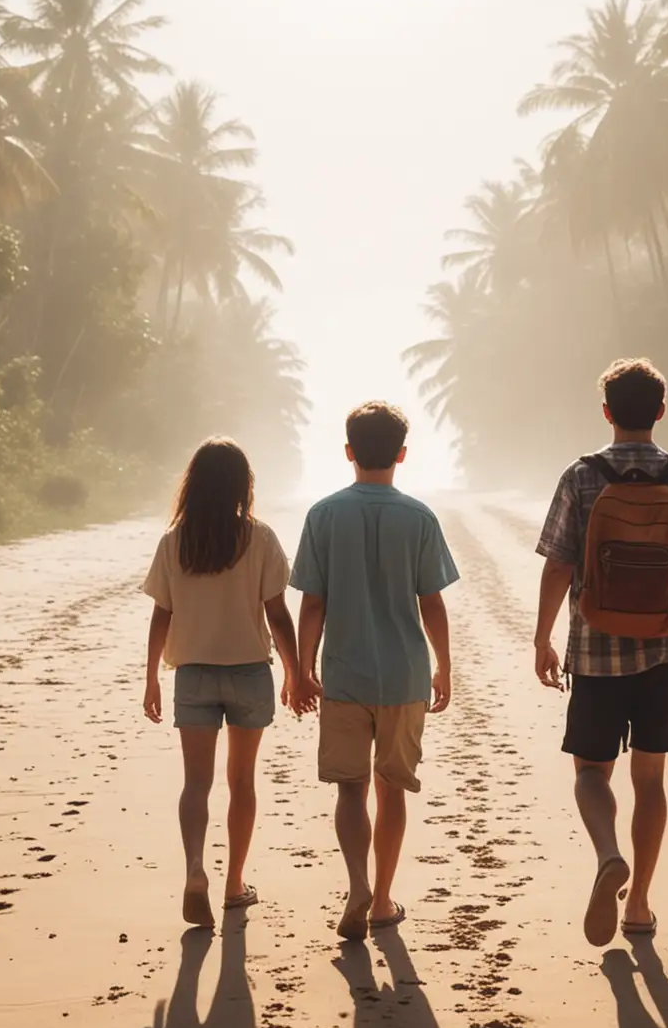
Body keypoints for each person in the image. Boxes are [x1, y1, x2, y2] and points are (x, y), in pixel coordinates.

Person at [533, 358, 668, 946]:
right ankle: (639, 903)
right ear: (661, 411)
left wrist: (542, 637)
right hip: (665, 647)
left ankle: (607, 854)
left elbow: (560, 563)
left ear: (607, 412)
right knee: (650, 777)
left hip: (595, 650)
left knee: (592, 772)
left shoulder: (582, 476)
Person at [291, 401, 459, 940]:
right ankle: (383, 899)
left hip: (344, 673)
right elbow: (431, 602)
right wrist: (445, 667)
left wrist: (300, 668)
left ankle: (357, 882)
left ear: (348, 452)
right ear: (402, 455)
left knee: (349, 788)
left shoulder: (323, 515)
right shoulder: (419, 517)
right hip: (405, 674)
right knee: (392, 789)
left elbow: (312, 603)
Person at [143, 438, 308, 929]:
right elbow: (278, 616)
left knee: (196, 783)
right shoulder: (259, 538)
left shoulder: (175, 541)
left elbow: (161, 614)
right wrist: (297, 675)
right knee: (241, 781)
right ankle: (234, 883)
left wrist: (152, 677)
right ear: (243, 484)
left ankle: (196, 870)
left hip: (193, 672)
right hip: (248, 672)